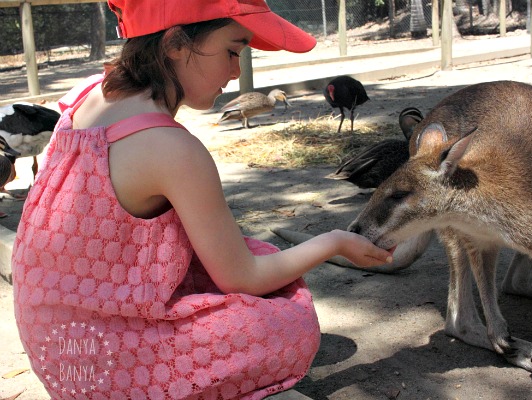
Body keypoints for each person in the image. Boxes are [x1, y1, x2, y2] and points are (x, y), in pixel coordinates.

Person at [11, 0, 393, 398]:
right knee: (290, 322)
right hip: (103, 367)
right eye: (232, 51)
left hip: (54, 344)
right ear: (175, 43)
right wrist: (335, 241)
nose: (235, 71)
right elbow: (242, 277)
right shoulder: (172, 149)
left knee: (245, 250)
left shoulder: (87, 93)